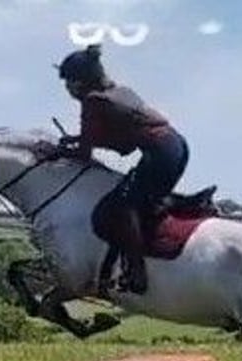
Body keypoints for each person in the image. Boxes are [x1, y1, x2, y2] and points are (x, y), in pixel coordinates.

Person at [53, 43, 190, 295]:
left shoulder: (93, 102)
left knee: (120, 207)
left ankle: (137, 273)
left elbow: (85, 154)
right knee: (138, 199)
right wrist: (77, 139)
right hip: (175, 146)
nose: (67, 89)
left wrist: (56, 152)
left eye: (69, 83)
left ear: (81, 82)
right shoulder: (120, 91)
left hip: (160, 154)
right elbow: (124, 144)